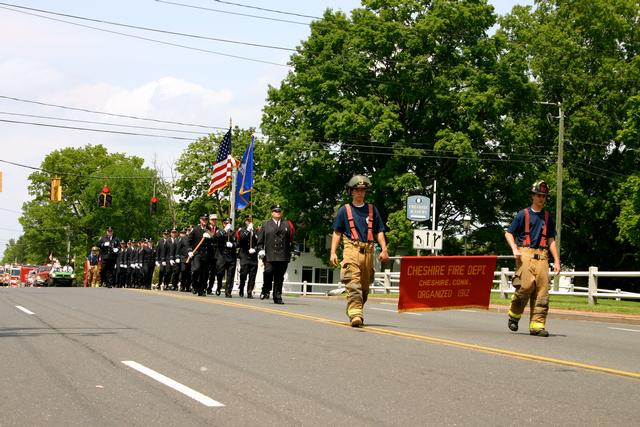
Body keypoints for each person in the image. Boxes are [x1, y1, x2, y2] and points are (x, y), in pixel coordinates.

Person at [330, 175, 389, 327]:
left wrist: (384, 249)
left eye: (362, 190)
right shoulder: (344, 210)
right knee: (353, 284)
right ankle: (356, 316)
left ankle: (353, 309)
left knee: (364, 290)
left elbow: (379, 231)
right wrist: (333, 252)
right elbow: (337, 232)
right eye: (356, 190)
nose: (360, 193)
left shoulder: (372, 210)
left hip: (369, 252)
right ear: (351, 191)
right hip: (351, 250)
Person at [504, 180, 560, 337]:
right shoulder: (523, 214)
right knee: (525, 287)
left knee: (542, 292)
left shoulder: (548, 217)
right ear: (533, 196)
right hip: (525, 254)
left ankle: (537, 326)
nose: (542, 198)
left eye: (544, 196)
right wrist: (515, 248)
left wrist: (556, 261)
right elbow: (509, 233)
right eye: (539, 195)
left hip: (542, 257)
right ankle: (514, 316)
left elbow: (551, 240)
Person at [257, 204, 297, 304]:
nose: (277, 213)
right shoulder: (266, 224)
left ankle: (277, 296)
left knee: (279, 277)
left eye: (279, 211)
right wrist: (261, 249)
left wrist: (294, 251)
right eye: (275, 211)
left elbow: (293, 239)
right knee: (268, 272)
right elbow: (260, 240)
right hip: (270, 255)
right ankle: (266, 289)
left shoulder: (287, 224)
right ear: (272, 213)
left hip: (283, 255)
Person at [188, 214, 212, 296]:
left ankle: (201, 290)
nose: (204, 221)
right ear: (200, 220)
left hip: (206, 254)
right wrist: (189, 251)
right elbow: (189, 240)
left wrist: (210, 237)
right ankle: (194, 285)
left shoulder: (209, 229)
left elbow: (214, 240)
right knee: (196, 270)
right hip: (197, 253)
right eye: (203, 219)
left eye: (206, 219)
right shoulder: (195, 229)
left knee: (204, 274)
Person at [216, 217, 237, 297]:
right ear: (223, 224)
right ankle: (219, 286)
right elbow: (217, 237)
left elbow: (237, 243)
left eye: (229, 223)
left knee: (230, 275)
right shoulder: (220, 231)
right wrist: (224, 230)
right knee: (220, 273)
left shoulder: (233, 233)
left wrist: (232, 245)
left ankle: (228, 291)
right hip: (222, 256)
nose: (228, 225)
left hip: (231, 256)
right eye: (226, 223)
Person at [237, 215, 258, 298]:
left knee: (253, 275)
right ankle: (241, 287)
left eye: (251, 220)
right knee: (243, 273)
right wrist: (248, 230)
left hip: (253, 256)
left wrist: (255, 249)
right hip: (244, 255)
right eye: (248, 220)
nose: (249, 222)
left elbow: (259, 242)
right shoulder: (242, 230)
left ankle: (249, 291)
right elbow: (241, 238)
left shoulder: (257, 231)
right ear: (245, 221)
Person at [206, 214, 220, 295]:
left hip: (215, 253)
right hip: (207, 252)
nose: (215, 221)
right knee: (205, 271)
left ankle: (209, 288)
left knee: (213, 273)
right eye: (213, 219)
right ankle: (203, 286)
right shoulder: (206, 228)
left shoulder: (218, 229)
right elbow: (213, 237)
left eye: (216, 219)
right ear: (210, 220)